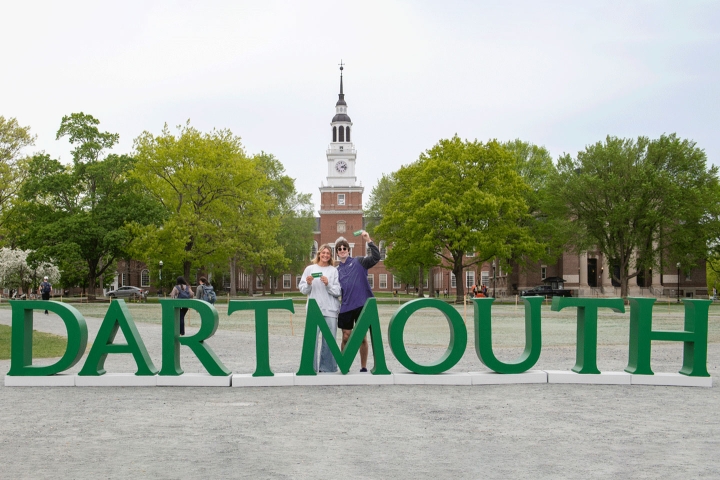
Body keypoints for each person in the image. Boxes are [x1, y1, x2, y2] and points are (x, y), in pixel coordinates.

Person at [335, 231, 381, 372]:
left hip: (362, 305)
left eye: (345, 248)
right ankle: (344, 364)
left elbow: (376, 257)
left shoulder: (359, 261)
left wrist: (369, 240)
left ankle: (363, 367)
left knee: (362, 337)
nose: (342, 250)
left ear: (348, 250)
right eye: (339, 249)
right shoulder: (335, 270)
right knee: (345, 337)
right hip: (346, 306)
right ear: (337, 252)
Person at [298, 243, 341, 373]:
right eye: (323, 253)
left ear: (330, 256)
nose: (325, 255)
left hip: (330, 310)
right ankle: (310, 368)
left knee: (329, 341)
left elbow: (338, 291)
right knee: (312, 340)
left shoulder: (334, 271)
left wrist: (328, 284)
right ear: (319, 254)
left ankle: (327, 367)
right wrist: (309, 283)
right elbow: (303, 289)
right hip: (313, 310)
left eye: (328, 253)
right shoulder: (310, 269)